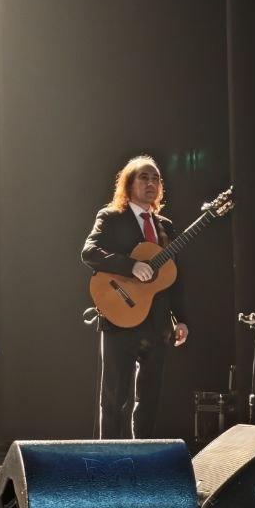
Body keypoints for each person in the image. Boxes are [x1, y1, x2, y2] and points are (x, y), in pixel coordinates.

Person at [81, 155, 188, 439]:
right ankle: (108, 458)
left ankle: (142, 456)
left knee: (150, 399)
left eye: (156, 178)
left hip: (157, 322)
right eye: (144, 177)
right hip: (120, 316)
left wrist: (180, 319)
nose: (151, 183)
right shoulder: (111, 217)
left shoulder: (166, 226)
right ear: (129, 184)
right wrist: (130, 265)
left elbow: (174, 278)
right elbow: (89, 252)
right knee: (115, 398)